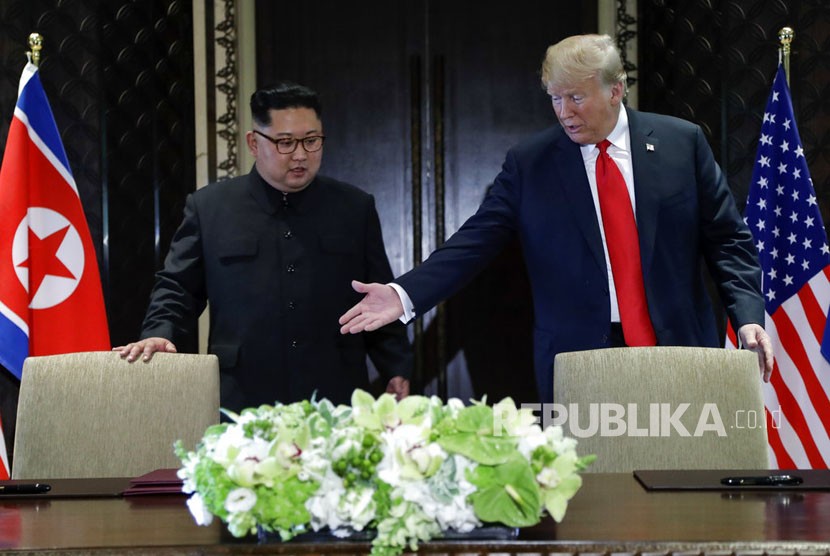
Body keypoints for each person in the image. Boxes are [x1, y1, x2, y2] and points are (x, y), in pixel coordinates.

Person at [339, 34, 773, 403]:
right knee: (590, 496)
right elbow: (472, 243)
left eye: (576, 98)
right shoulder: (531, 165)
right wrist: (404, 295)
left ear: (615, 90)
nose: (564, 112)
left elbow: (727, 239)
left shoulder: (683, 144)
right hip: (579, 362)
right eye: (555, 99)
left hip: (679, 352)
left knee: (680, 487)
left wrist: (748, 315)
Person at [115, 82, 412, 411]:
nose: (300, 155)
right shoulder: (211, 208)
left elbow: (378, 295)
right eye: (285, 142)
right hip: (242, 397)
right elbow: (178, 287)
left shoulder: (354, 208)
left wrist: (396, 367)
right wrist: (160, 331)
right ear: (254, 143)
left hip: (334, 392)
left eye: (311, 141)